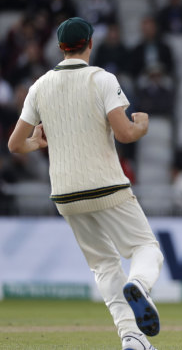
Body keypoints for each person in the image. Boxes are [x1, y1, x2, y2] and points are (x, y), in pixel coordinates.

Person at [7, 17, 163, 350]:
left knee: (104, 265)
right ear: (89, 44)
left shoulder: (40, 85)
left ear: (61, 47)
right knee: (145, 249)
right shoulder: (101, 79)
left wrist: (38, 141)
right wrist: (141, 127)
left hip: (64, 192)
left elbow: (15, 145)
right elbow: (124, 133)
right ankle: (140, 285)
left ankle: (132, 337)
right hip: (106, 185)